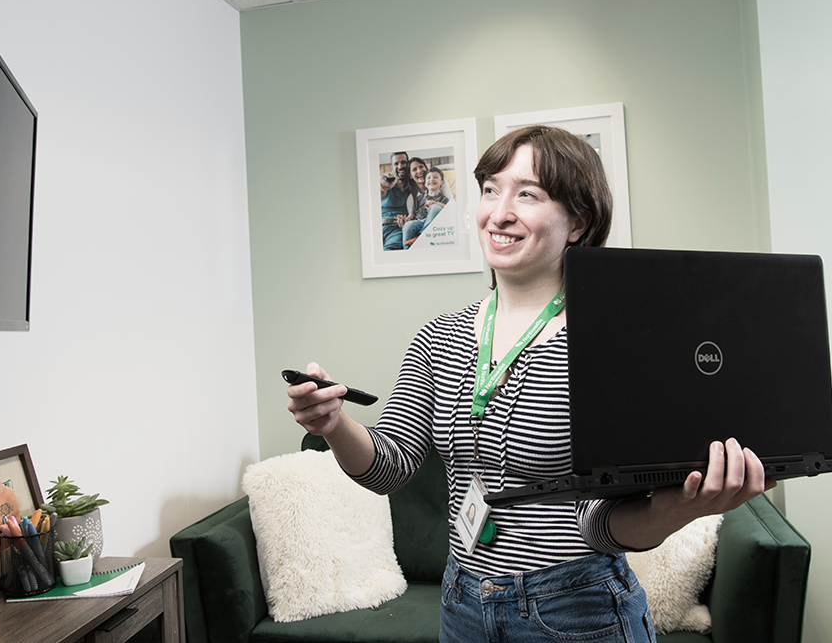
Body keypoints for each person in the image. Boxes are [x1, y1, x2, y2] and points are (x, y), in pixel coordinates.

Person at [287, 125, 773, 643]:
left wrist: (678, 508)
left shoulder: (611, 347)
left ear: (579, 222)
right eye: (491, 189)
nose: (499, 212)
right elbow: (390, 466)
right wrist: (334, 423)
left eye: (528, 194)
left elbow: (601, 524)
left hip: (576, 610)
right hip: (462, 604)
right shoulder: (437, 338)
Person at [403, 167, 450, 247]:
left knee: (435, 208)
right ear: (425, 183)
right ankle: (407, 249)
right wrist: (406, 219)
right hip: (419, 222)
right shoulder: (419, 198)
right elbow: (412, 214)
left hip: (433, 224)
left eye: (435, 177)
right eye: (428, 178)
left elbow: (448, 209)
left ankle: (422, 236)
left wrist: (436, 204)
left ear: (442, 182)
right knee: (408, 225)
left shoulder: (443, 199)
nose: (431, 179)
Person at [380, 151, 412, 251]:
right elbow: (381, 188)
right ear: (392, 168)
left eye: (403, 162)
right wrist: (382, 184)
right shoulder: (387, 184)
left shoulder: (414, 186)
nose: (400, 166)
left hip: (397, 228)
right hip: (379, 228)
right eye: (396, 164)